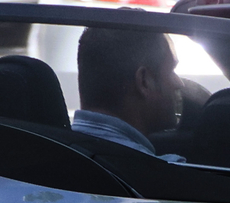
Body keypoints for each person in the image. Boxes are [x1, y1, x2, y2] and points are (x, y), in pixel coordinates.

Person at [71, 25, 183, 156]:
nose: (179, 83)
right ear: (144, 81)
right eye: (171, 71)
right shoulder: (166, 173)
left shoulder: (48, 152)